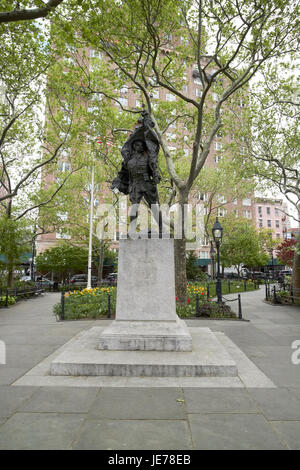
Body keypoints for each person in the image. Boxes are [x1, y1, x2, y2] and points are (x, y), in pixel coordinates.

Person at [111, 110, 163, 236]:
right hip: (135, 185)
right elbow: (123, 173)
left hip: (146, 183)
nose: (138, 146)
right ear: (134, 146)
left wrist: (156, 175)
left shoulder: (148, 157)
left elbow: (154, 167)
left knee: (154, 206)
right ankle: (132, 230)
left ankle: (161, 229)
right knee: (134, 208)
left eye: (140, 145)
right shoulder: (129, 160)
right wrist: (117, 182)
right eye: (136, 145)